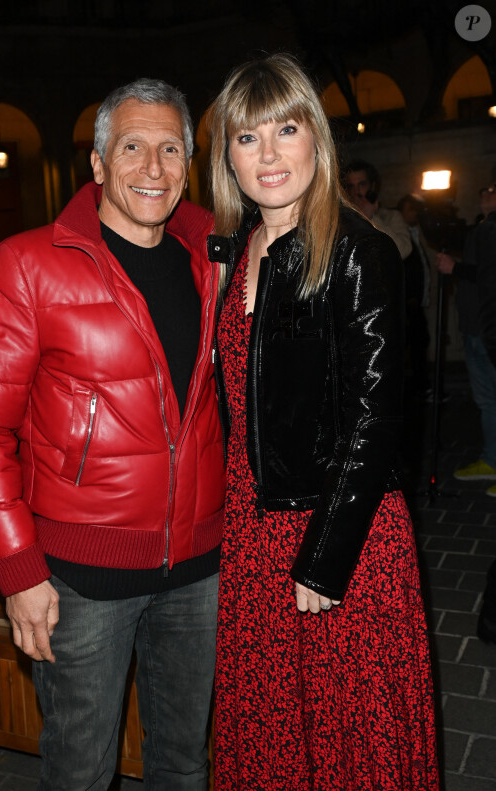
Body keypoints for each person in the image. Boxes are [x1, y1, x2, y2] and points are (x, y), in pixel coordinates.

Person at [0, 78, 225, 791]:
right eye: (132, 147)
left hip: (198, 570)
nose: (153, 168)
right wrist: (19, 571)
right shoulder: (27, 266)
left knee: (184, 765)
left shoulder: (217, 257)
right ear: (98, 163)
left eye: (170, 149)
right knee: (80, 772)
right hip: (81, 582)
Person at [207, 54, 439, 790]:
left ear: (317, 138)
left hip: (337, 528)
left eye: (286, 128)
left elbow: (377, 415)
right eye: (247, 138)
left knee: (347, 737)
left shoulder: (357, 249)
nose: (269, 154)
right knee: (273, 727)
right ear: (228, 156)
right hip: (251, 523)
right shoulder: (236, 250)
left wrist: (325, 556)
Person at [436, 181, 496, 497]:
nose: (483, 192)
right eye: (483, 188)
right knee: (487, 400)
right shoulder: (482, 228)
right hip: (476, 327)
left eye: (491, 189)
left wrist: (455, 267)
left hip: (489, 328)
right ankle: (492, 459)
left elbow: (489, 275)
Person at [397, 193, 433, 399]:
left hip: (415, 301)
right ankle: (418, 390)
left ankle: (420, 387)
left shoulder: (415, 233)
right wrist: (410, 296)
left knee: (420, 342)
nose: (415, 214)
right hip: (408, 302)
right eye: (411, 209)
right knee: (414, 345)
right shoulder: (402, 237)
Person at [343, 158, 412, 260]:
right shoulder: (342, 218)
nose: (356, 191)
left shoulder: (391, 217)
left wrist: (372, 218)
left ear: (372, 186)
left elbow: (402, 251)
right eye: (351, 186)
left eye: (362, 184)